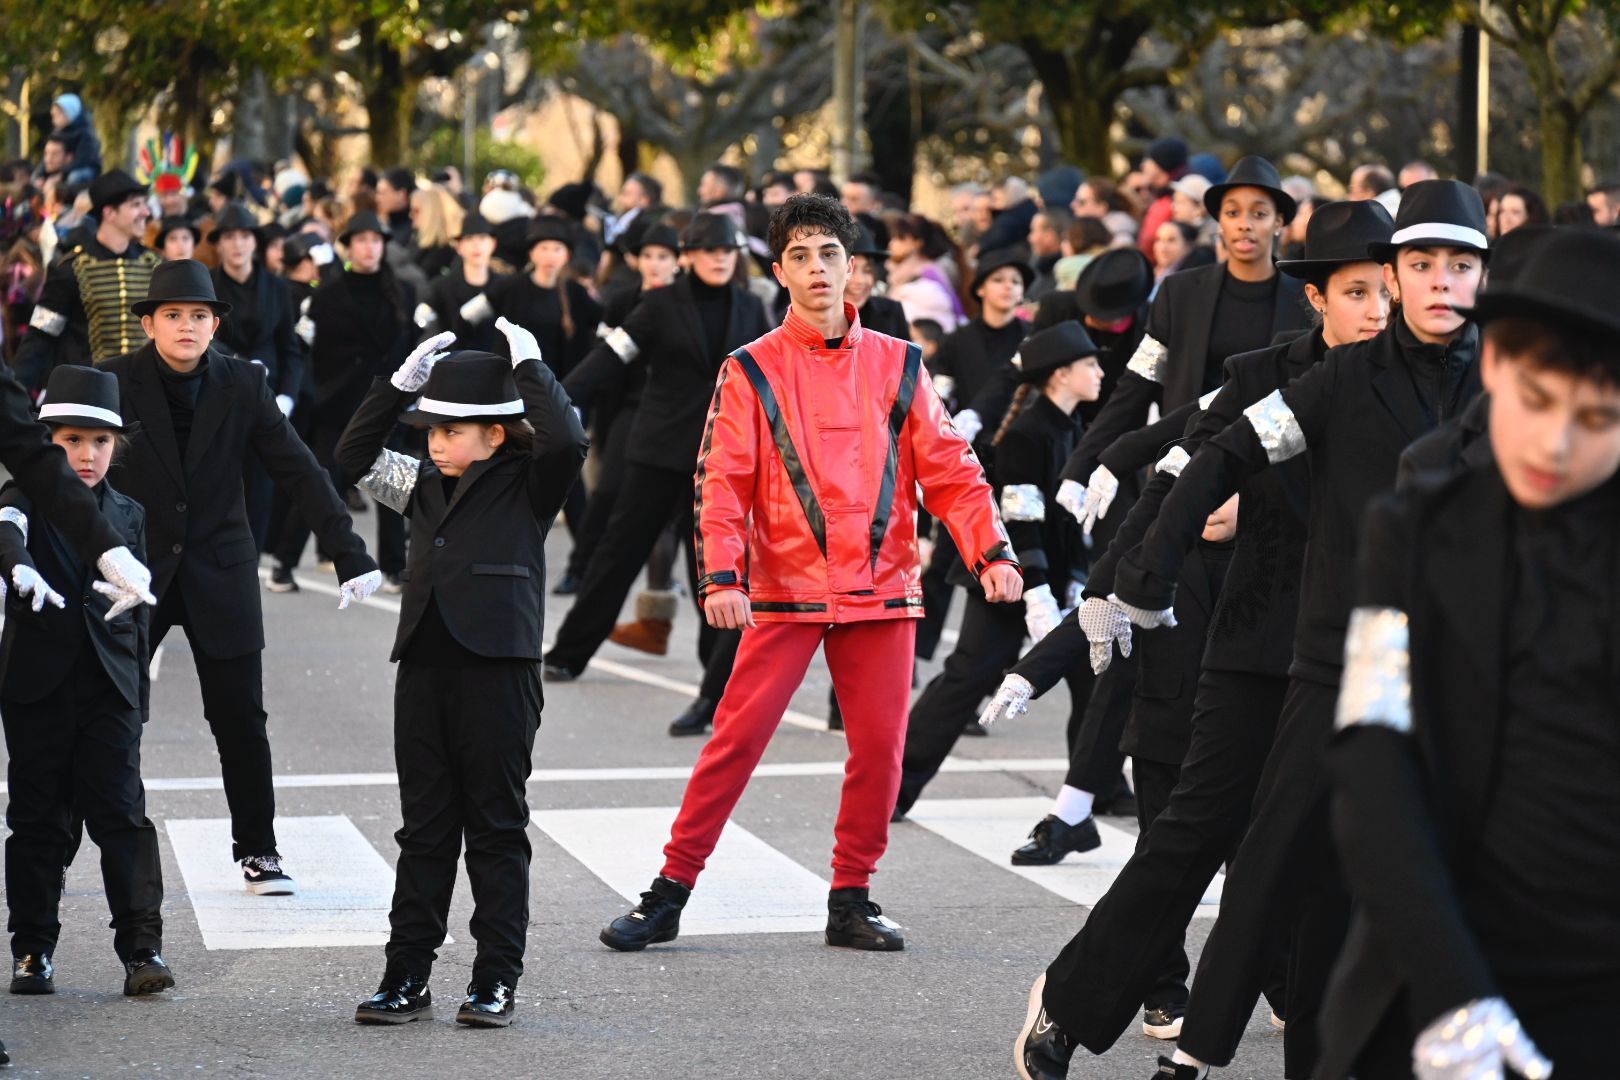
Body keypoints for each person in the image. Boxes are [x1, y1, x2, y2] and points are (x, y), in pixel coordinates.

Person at [1045, 180, 1487, 1079]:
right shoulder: (1271, 378)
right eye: (1359, 288)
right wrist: (1131, 577)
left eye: (1386, 286)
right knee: (1198, 836)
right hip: (1261, 647)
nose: (1378, 304)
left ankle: (1298, 1015)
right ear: (1318, 295)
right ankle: (1074, 1006)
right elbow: (1184, 463)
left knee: (1335, 859)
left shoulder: (1480, 379)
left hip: (1387, 659)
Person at [597, 193, 1021, 954]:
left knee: (881, 750)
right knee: (736, 740)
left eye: (829, 253)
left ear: (852, 266)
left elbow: (954, 471)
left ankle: (852, 896)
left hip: (884, 588)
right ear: (779, 270)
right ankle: (668, 892)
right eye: (800, 255)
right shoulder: (750, 368)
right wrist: (721, 578)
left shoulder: (902, 362)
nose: (818, 268)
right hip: (785, 589)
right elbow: (720, 480)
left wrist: (991, 552)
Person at [1318, 225, 1619, 1080]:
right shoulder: (1414, 528)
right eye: (1536, 401)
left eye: (1595, 419)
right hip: (1438, 972)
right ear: (1493, 372)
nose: (1556, 445)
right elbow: (1373, 755)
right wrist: (1455, 997)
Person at [102, 259, 383, 894]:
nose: (186, 327)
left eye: (199, 316)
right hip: (133, 570)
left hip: (220, 569)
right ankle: (68, 845)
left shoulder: (243, 382)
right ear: (148, 323)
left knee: (240, 720)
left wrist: (348, 550)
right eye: (172, 315)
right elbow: (69, 472)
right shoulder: (114, 381)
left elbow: (299, 469)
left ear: (214, 324)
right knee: (111, 714)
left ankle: (259, 851)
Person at [339, 323, 587, 1029]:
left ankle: (494, 980)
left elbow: (568, 439)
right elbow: (352, 456)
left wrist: (532, 366)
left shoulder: (531, 483)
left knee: (496, 828)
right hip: (423, 664)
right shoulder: (419, 480)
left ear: (496, 433)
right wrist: (398, 388)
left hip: (499, 669)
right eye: (431, 429)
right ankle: (406, 976)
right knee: (423, 830)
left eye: (450, 430)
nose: (435, 441)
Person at [542, 213, 770, 737]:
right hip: (657, 452)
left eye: (727, 251)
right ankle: (569, 653)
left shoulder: (751, 307)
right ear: (687, 255)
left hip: (721, 462)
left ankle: (717, 689)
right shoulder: (661, 304)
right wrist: (553, 401)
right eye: (709, 250)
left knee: (716, 574)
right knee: (617, 555)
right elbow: (610, 358)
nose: (720, 258)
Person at [1, 365, 170, 1000]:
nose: (88, 455)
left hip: (110, 689)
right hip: (37, 688)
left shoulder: (128, 515)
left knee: (122, 815)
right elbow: (5, 535)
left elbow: (144, 613)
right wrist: (15, 567)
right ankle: (33, 951)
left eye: (101, 442)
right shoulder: (22, 499)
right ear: (46, 442)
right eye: (72, 440)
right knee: (39, 822)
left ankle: (142, 949)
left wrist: (139, 699)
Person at [894, 322, 1103, 817]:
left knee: (1097, 685)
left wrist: (1073, 577)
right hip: (1008, 580)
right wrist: (1037, 591)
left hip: (1055, 582)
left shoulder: (1075, 427)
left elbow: (1073, 523)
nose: (1099, 372)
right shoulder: (1028, 432)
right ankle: (894, 786)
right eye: (1090, 364)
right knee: (968, 677)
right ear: (1060, 374)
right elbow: (1021, 518)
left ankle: (1099, 788)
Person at [1056, 156, 1308, 538]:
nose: (1245, 223)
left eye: (1259, 213)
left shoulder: (1303, 299)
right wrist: (1081, 465)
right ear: (1218, 221)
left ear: (1278, 222)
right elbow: (1136, 386)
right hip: (1183, 468)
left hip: (1266, 480)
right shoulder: (1181, 293)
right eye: (1233, 211)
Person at [268, 211, 415, 590]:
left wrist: (410, 395)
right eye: (362, 240)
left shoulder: (401, 290)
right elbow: (308, 348)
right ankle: (284, 564)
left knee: (393, 488)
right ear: (348, 247)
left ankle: (395, 568)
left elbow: (408, 347)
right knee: (318, 485)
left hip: (387, 401)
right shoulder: (328, 295)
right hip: (337, 404)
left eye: (377, 240)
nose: (370, 247)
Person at [208, 201, 304, 550]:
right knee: (218, 483)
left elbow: (290, 349)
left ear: (255, 242)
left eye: (244, 236)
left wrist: (288, 397)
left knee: (262, 489)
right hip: (218, 395)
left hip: (267, 400)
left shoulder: (277, 288)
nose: (237, 244)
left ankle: (255, 560)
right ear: (218, 243)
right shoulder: (206, 285)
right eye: (229, 236)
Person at [14, 170, 161, 389]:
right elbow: (41, 335)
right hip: (88, 395)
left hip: (144, 392)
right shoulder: (70, 269)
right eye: (136, 205)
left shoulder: (155, 265)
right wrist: (14, 397)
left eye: (144, 204)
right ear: (110, 212)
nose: (145, 212)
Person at [412, 211, 507, 356]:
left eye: (482, 238)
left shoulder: (505, 286)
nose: (476, 245)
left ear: (493, 243)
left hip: (497, 368)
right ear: (459, 247)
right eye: (469, 238)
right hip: (452, 367)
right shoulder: (440, 287)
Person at [846, 225, 910, 338]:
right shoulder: (814, 319)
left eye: (867, 270)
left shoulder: (892, 312)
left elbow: (908, 355)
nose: (860, 280)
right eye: (850, 270)